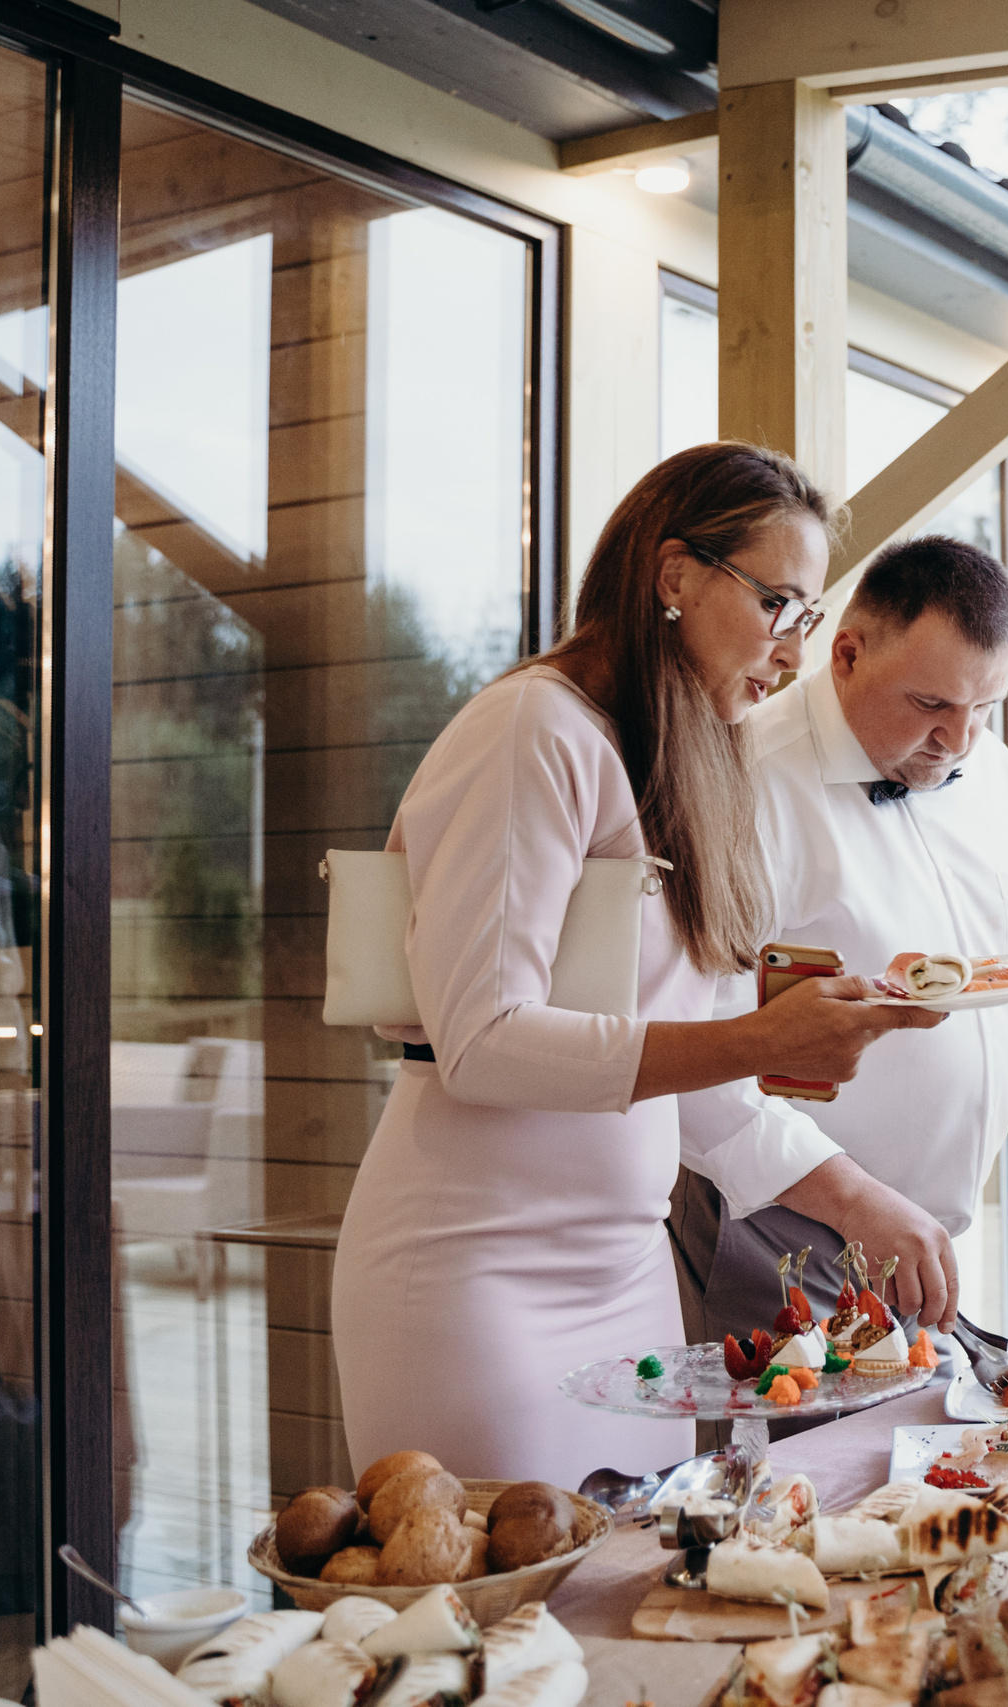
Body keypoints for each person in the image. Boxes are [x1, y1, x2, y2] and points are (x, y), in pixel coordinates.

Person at [329, 443, 945, 1487]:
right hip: (475, 1276)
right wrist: (761, 1037)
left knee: (638, 1603)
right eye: (777, 606)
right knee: (513, 1624)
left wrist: (855, 1199)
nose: (791, 652)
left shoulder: (672, 758)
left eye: (805, 618)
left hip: (627, 1276)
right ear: (675, 577)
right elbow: (480, 1040)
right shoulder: (534, 731)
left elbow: (693, 1079)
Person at [672, 535, 1008, 1338]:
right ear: (849, 654)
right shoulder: (744, 783)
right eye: (931, 706)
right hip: (773, 1236)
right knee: (795, 1466)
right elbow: (699, 1063)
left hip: (918, 1245)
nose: (960, 740)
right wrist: (856, 1200)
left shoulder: (987, 767)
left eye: (984, 708)